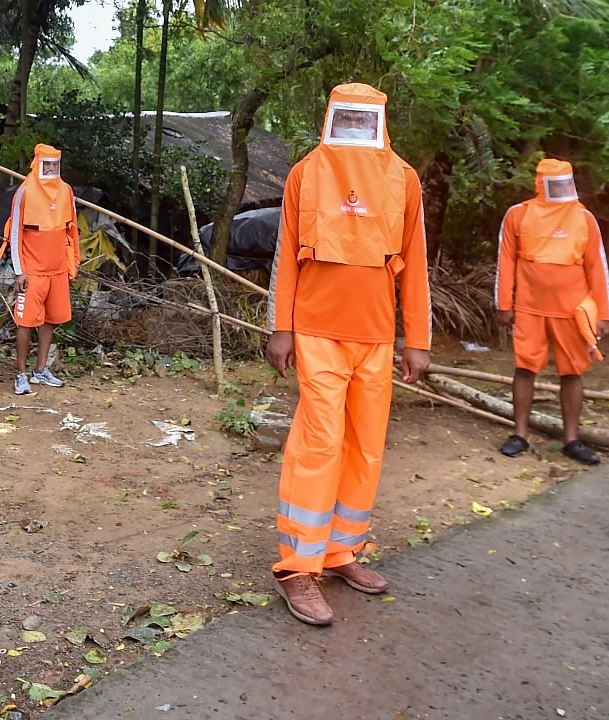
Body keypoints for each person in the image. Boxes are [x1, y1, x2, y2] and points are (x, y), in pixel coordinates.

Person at [266, 83, 432, 626]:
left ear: (381, 122)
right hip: (315, 330)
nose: (357, 129)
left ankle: (339, 553)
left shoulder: (404, 179)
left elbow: (417, 265)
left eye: (367, 120)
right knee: (319, 441)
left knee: (366, 445)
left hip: (378, 335)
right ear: (332, 116)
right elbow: (286, 257)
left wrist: (419, 340)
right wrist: (281, 329)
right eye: (349, 119)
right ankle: (297, 567)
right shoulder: (305, 174)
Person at [494, 158, 609, 465]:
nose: (561, 189)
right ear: (540, 183)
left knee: (572, 372)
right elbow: (505, 261)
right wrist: (503, 304)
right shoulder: (518, 215)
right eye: (555, 183)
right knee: (525, 368)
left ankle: (571, 440)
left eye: (566, 182)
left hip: (572, 310)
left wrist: (604, 313)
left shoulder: (584, 218)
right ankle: (519, 434)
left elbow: (597, 268)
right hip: (530, 307)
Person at [0, 143, 81, 395]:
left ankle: (41, 370)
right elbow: (15, 233)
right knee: (25, 322)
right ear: (37, 163)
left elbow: (71, 230)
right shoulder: (24, 192)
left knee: (50, 321)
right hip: (32, 271)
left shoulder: (66, 191)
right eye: (48, 165)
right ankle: (21, 374)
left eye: (55, 165)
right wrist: (19, 271)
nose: (52, 170)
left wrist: (71, 263)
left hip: (57, 270)